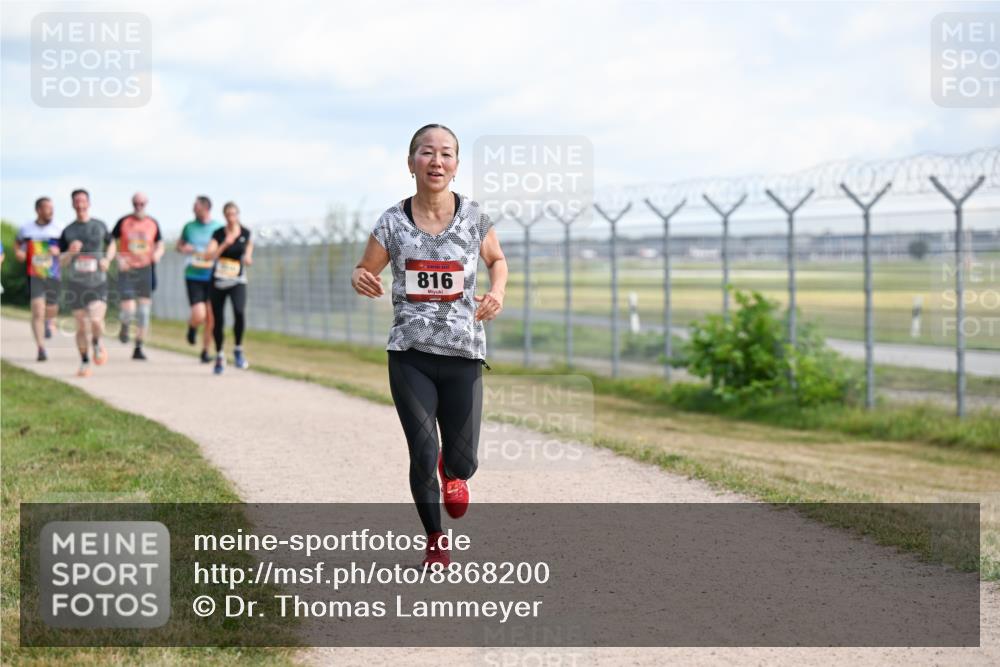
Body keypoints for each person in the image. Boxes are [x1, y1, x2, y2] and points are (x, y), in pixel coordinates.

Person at [352, 124, 507, 568]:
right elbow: (366, 268)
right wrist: (360, 277)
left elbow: (497, 260)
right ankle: (436, 540)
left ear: (456, 166)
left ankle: (453, 473)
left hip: (463, 352)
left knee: (462, 462)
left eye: (446, 154)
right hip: (410, 354)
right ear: (411, 163)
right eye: (426, 153)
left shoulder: (474, 217)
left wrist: (497, 292)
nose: (436, 161)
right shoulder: (392, 221)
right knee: (421, 450)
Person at [58, 189, 115, 377]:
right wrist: (70, 253)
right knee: (81, 325)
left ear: (88, 203)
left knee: (96, 320)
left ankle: (97, 343)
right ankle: (84, 361)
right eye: (76, 201)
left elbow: (112, 244)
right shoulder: (68, 231)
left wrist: (107, 259)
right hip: (76, 283)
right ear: (73, 204)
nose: (80, 204)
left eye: (83, 200)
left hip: (97, 282)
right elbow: (61, 261)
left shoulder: (99, 225)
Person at [112, 192, 165, 360]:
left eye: (142, 203)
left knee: (143, 311)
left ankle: (138, 347)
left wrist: (158, 254)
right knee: (129, 310)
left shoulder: (153, 223)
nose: (139, 206)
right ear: (132, 203)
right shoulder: (123, 222)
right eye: (136, 203)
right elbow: (112, 242)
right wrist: (118, 258)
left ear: (146, 204)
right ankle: (125, 327)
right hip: (127, 269)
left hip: (146, 269)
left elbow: (160, 244)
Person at [203, 201, 253, 375]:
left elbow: (249, 248)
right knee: (218, 320)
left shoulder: (245, 233)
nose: (231, 218)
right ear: (224, 216)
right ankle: (219, 355)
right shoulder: (218, 234)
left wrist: (247, 257)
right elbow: (208, 256)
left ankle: (238, 349)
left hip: (237, 280)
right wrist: (224, 244)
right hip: (218, 282)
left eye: (234, 214)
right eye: (228, 214)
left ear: (238, 214)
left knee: (239, 312)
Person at [15, 197, 64, 361]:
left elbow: (67, 249)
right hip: (34, 274)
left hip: (53, 274)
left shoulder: (59, 228)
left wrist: (59, 251)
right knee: (37, 310)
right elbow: (18, 243)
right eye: (47, 208)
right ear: (38, 210)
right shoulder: (26, 228)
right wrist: (19, 252)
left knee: (52, 308)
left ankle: (49, 322)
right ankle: (41, 348)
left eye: (52, 208)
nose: (51, 211)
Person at [177, 196, 222, 363]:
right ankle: (192, 326)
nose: (193, 210)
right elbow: (179, 245)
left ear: (206, 208)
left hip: (212, 275)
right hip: (194, 275)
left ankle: (205, 350)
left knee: (211, 316)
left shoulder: (218, 228)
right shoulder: (189, 227)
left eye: (196, 207)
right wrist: (183, 248)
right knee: (199, 314)